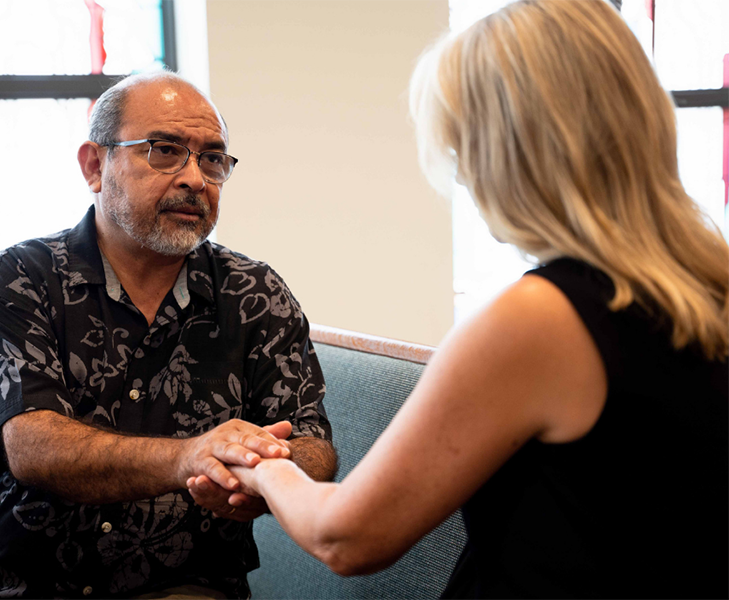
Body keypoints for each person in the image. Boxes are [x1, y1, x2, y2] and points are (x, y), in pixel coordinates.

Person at [212, 1, 729, 598]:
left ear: (512, 149)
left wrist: (264, 462)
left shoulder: (542, 319)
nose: (462, 176)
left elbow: (345, 538)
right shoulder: (704, 286)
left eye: (462, 145)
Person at [0, 72, 336, 600]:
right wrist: (190, 457)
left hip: (188, 588)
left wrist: (256, 474)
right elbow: (31, 445)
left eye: (213, 159)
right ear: (95, 166)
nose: (196, 177)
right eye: (165, 150)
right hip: (16, 588)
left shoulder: (253, 291)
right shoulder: (21, 277)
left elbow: (314, 446)